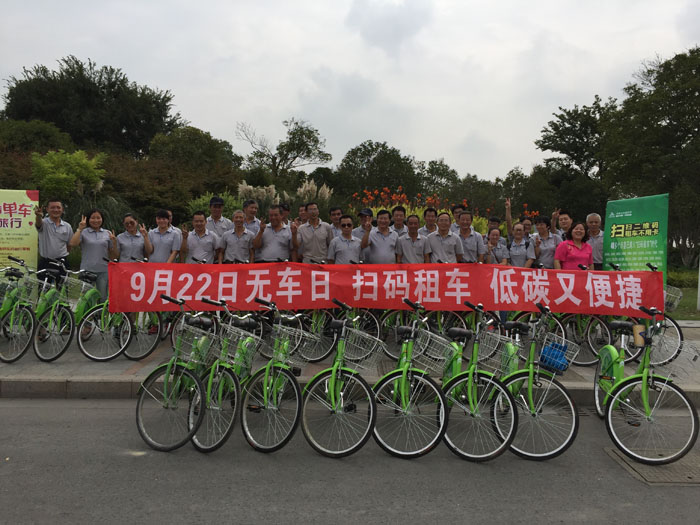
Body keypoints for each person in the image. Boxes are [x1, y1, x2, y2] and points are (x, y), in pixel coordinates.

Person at [68, 208, 117, 300]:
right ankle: (89, 310)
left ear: (102, 219)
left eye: (98, 218)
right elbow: (73, 243)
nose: (96, 220)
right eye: (93, 218)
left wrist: (114, 243)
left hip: (103, 271)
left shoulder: (108, 233)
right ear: (88, 219)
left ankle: (99, 310)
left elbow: (113, 256)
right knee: (86, 298)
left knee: (102, 297)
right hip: (87, 270)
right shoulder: (83, 232)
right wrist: (79, 229)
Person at [34, 198, 73, 271]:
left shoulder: (67, 226)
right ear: (47, 209)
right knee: (43, 279)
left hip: (62, 262)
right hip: (45, 262)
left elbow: (69, 245)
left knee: (63, 279)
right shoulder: (43, 223)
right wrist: (38, 216)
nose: (56, 210)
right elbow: (38, 224)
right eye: (52, 207)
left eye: (58, 207)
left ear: (62, 209)